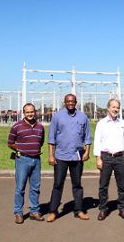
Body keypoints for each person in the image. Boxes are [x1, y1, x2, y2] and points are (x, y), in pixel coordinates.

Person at [46, 94, 91, 222]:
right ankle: (53, 211)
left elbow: (87, 137)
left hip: (77, 156)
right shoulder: (57, 117)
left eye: (72, 101)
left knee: (77, 184)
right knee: (58, 184)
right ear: (64, 102)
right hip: (61, 156)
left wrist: (87, 152)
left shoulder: (83, 117)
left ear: (76, 102)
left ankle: (79, 210)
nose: (70, 103)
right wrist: (51, 155)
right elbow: (51, 138)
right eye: (68, 101)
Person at [93, 98, 124, 220]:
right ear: (108, 108)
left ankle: (123, 209)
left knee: (122, 185)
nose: (115, 109)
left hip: (120, 157)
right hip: (106, 157)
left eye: (117, 107)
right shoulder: (101, 123)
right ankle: (103, 209)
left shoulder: (122, 123)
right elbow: (97, 141)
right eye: (113, 107)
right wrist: (98, 158)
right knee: (103, 185)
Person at [7, 103, 45, 224]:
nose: (30, 114)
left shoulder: (40, 127)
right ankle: (18, 213)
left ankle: (34, 211)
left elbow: (41, 142)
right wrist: (20, 149)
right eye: (27, 112)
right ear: (24, 113)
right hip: (22, 160)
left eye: (32, 112)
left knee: (35, 187)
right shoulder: (17, 126)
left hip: (36, 160)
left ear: (35, 112)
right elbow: (10, 143)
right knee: (20, 188)